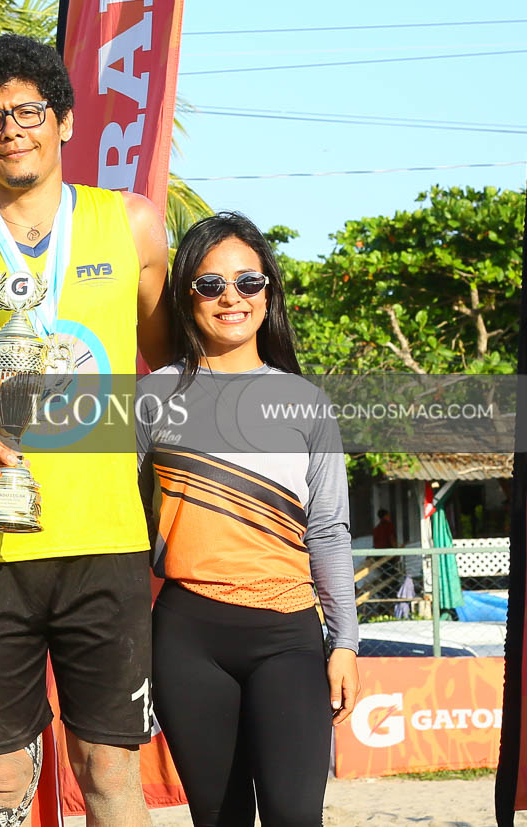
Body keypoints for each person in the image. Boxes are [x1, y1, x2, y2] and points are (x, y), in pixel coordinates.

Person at [0, 35, 169, 827]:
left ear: (65, 121)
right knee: (3, 780)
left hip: (105, 541)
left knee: (108, 767)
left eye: (28, 111)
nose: (11, 130)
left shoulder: (132, 224)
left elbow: (176, 372)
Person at [138, 212, 359, 825]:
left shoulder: (306, 402)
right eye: (210, 284)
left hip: (288, 638)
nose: (230, 298)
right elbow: (127, 532)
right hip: (186, 638)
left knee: (295, 815)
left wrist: (344, 643)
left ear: (268, 293)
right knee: (218, 817)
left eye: (248, 282)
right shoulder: (149, 399)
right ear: (187, 296)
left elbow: (329, 532)